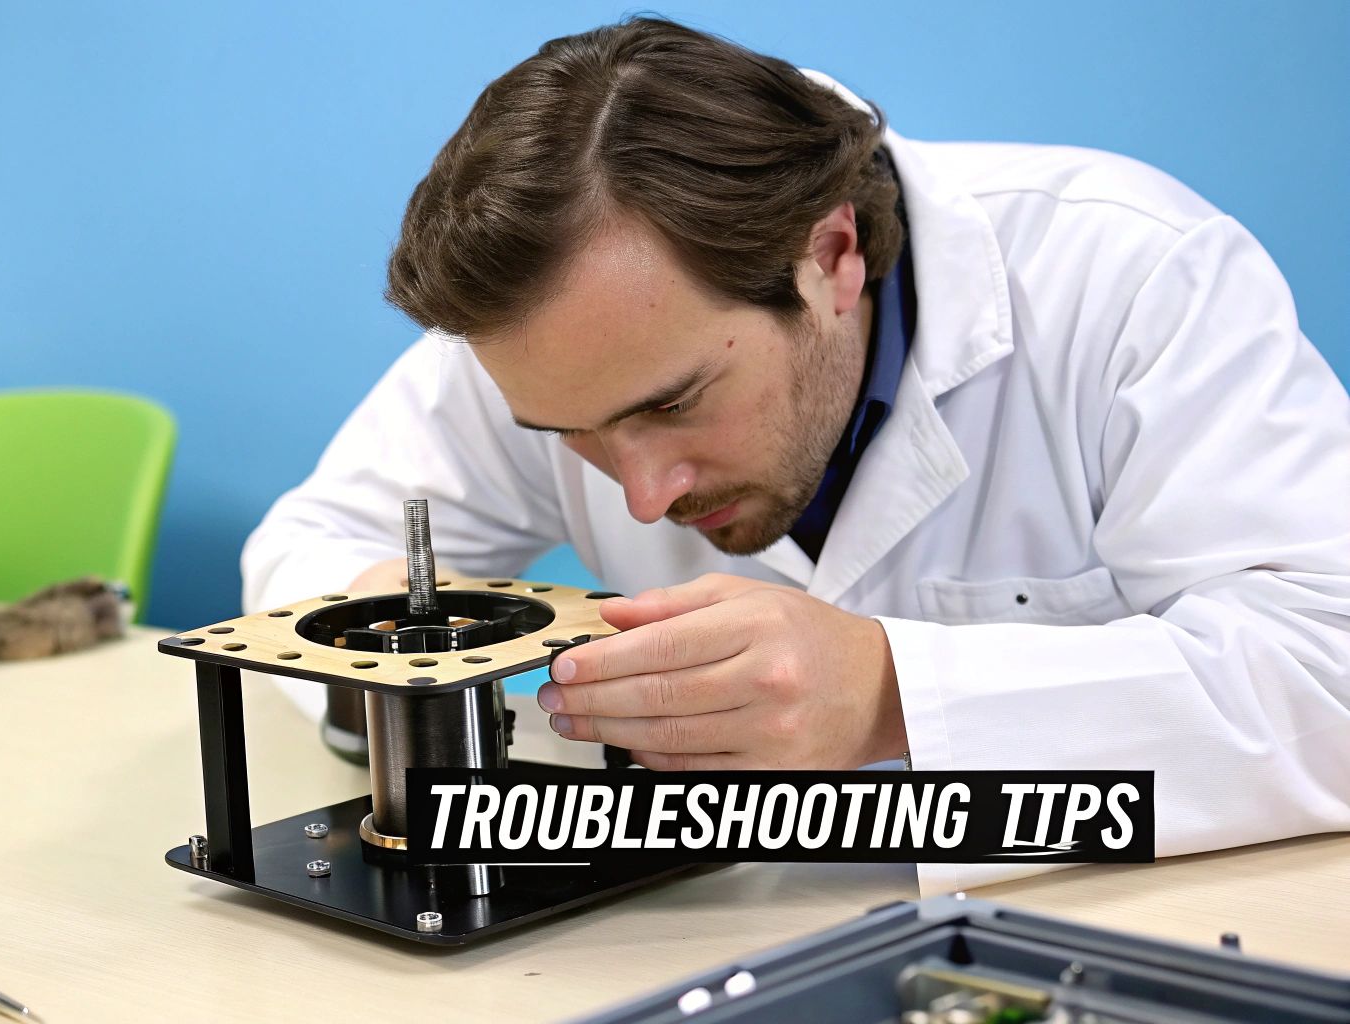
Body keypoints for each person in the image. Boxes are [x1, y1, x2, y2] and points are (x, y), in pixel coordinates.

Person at [240, 17, 1350, 892]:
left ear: (831, 254)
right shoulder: (558, 334)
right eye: (571, 435)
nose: (640, 494)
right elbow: (310, 548)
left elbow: (1327, 673)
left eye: (675, 403)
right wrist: (396, 663)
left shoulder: (1131, 279)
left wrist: (888, 694)